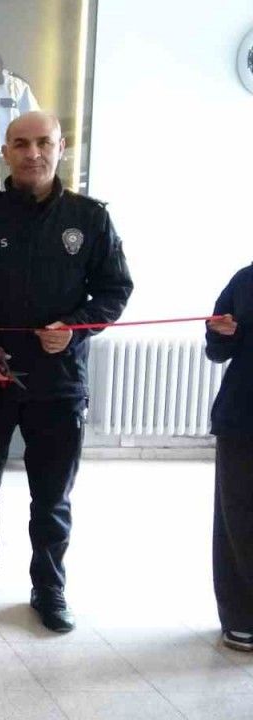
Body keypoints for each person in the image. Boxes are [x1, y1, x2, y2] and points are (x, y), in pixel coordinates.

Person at [0, 111, 133, 633]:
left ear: (60, 147)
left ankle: (49, 586)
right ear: (5, 152)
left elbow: (115, 290)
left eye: (43, 142)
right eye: (21, 144)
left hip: (58, 382)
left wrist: (76, 328)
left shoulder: (90, 219)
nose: (33, 153)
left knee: (52, 496)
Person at [205, 268, 252, 652]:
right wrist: (221, 333)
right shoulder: (246, 280)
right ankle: (241, 618)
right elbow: (217, 350)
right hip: (243, 417)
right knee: (238, 519)